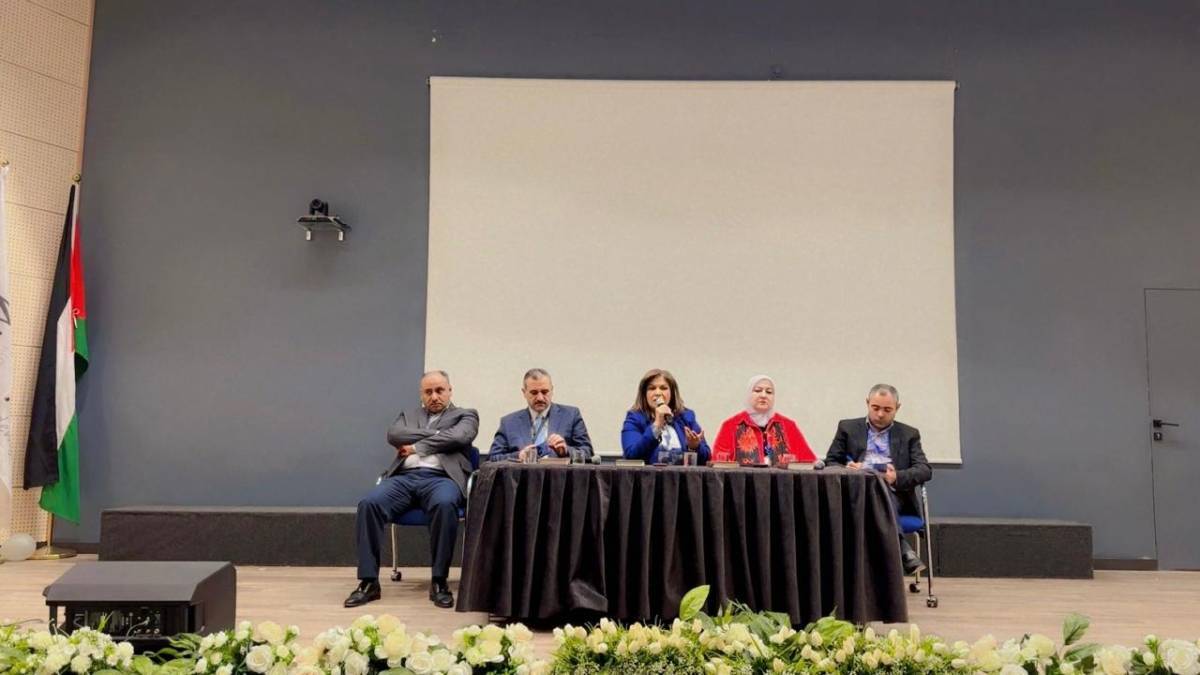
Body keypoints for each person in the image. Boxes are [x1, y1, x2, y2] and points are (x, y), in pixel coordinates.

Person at [345, 370, 479, 609]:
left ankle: (439, 581)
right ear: (421, 394)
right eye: (428, 392)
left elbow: (461, 437)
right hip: (403, 478)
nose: (434, 396)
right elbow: (394, 435)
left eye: (439, 390)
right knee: (368, 504)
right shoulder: (408, 415)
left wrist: (416, 446)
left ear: (450, 391)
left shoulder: (466, 415)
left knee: (444, 504)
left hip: (442, 478)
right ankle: (369, 582)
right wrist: (439, 435)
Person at [825, 383, 932, 575]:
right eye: (875, 408)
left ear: (897, 408)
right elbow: (831, 462)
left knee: (879, 491)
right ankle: (903, 551)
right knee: (872, 492)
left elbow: (924, 470)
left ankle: (864, 577)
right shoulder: (847, 428)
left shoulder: (909, 434)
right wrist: (849, 470)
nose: (880, 414)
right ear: (867, 403)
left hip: (894, 495)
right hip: (855, 493)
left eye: (887, 410)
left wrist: (895, 477)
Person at [488, 368, 593, 463]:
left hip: (559, 477)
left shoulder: (571, 415)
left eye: (544, 392)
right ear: (524, 393)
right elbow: (493, 458)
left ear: (552, 390)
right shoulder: (509, 423)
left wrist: (565, 451)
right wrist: (519, 455)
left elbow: (588, 452)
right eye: (534, 393)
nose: (540, 398)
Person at [711, 375, 817, 466]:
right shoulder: (731, 425)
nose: (763, 395)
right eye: (757, 390)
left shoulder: (788, 425)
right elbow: (718, 464)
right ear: (748, 394)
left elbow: (809, 462)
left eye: (769, 392)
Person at [621, 368, 710, 465]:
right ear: (644, 394)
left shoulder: (686, 417)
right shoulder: (635, 419)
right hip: (650, 474)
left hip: (681, 474)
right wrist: (656, 426)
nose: (658, 393)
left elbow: (706, 458)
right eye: (652, 388)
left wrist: (694, 447)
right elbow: (631, 455)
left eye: (663, 388)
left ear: (672, 393)